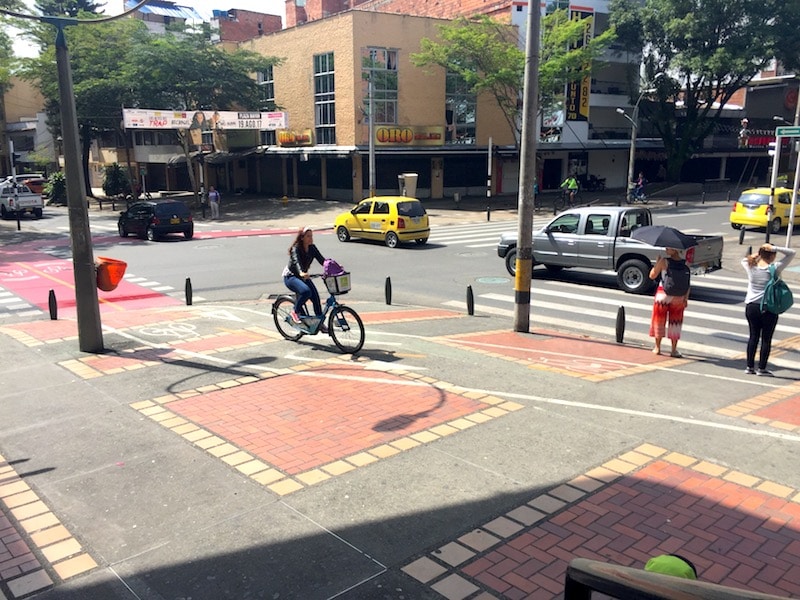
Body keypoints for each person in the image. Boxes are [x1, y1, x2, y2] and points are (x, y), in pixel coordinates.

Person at [741, 243, 796, 375]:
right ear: (772, 255)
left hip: (751, 306)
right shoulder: (774, 268)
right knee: (766, 338)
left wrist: (757, 254)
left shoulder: (750, 266)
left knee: (753, 336)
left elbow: (743, 259)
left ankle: (749, 367)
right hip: (768, 307)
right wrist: (775, 247)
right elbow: (792, 253)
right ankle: (762, 368)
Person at [282, 227, 327, 331]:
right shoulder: (296, 248)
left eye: (311, 236)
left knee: (315, 298)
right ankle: (295, 311)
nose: (311, 238)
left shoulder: (312, 248)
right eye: (308, 236)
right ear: (302, 238)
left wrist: (333, 267)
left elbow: (322, 261)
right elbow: (297, 262)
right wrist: (302, 272)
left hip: (303, 276)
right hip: (291, 276)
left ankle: (319, 323)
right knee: (306, 292)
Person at [648, 247, 690, 357]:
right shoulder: (686, 263)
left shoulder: (664, 261)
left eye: (668, 248)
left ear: (675, 250)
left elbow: (652, 275)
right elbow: (687, 283)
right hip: (679, 297)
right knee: (675, 323)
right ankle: (674, 350)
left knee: (659, 321)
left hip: (663, 295)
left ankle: (657, 348)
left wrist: (657, 263)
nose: (666, 249)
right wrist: (685, 298)